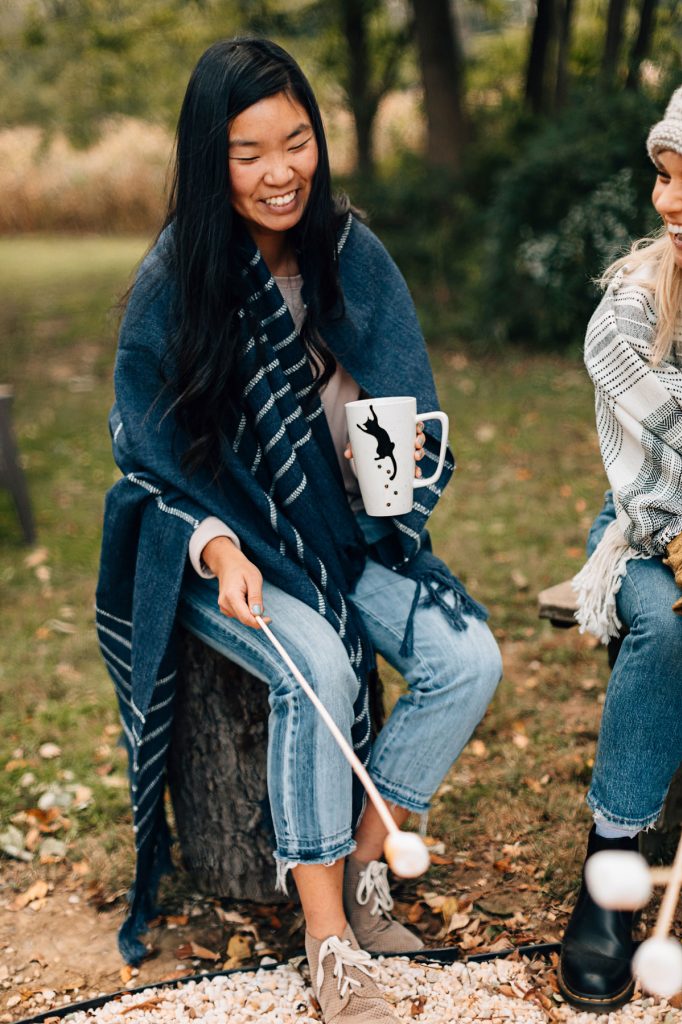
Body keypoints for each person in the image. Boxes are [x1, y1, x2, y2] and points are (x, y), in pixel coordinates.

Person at [95, 37, 502, 1024]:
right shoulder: (175, 280)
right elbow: (148, 459)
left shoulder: (350, 256)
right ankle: (325, 937)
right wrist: (219, 547)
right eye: (248, 152)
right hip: (225, 546)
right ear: (210, 159)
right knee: (314, 661)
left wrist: (384, 453)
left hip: (341, 530)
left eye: (297, 141)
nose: (280, 173)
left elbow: (390, 435)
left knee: (468, 657)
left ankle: (366, 863)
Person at [558, 85, 682, 1013]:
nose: (667, 201)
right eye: (663, 175)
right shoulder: (628, 319)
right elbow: (655, 475)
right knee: (670, 633)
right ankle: (610, 868)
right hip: (647, 534)